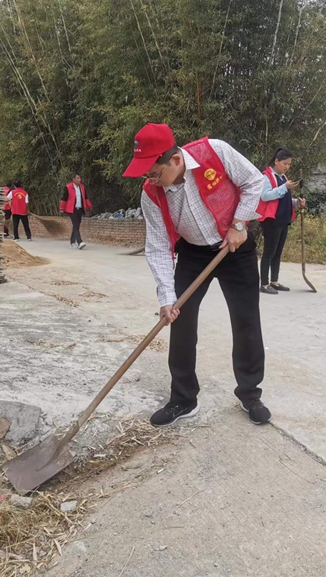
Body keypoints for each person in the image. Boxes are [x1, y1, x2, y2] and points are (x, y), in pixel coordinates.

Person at [123, 123, 270, 428]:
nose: (150, 180)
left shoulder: (213, 151)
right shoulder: (151, 194)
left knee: (246, 321)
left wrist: (240, 224)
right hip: (192, 254)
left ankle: (249, 394)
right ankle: (183, 398)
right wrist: (166, 297)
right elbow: (159, 246)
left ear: (174, 160)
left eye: (154, 172)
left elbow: (254, 182)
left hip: (234, 247)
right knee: (180, 321)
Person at [255, 148, 306, 294]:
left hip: (284, 219)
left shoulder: (284, 178)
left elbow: (284, 199)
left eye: (289, 164)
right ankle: (264, 284)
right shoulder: (266, 177)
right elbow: (265, 196)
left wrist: (297, 203)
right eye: (285, 163)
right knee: (269, 252)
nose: (287, 167)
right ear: (276, 161)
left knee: (278, 252)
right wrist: (284, 187)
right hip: (272, 220)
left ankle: (274, 281)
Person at [60, 172, 94, 249]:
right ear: (73, 179)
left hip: (80, 209)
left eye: (80, 178)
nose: (80, 180)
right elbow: (64, 199)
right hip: (72, 210)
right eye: (78, 178)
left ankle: (72, 242)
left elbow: (85, 198)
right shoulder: (68, 187)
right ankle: (79, 242)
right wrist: (62, 209)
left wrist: (89, 206)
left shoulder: (82, 187)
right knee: (75, 225)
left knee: (76, 226)